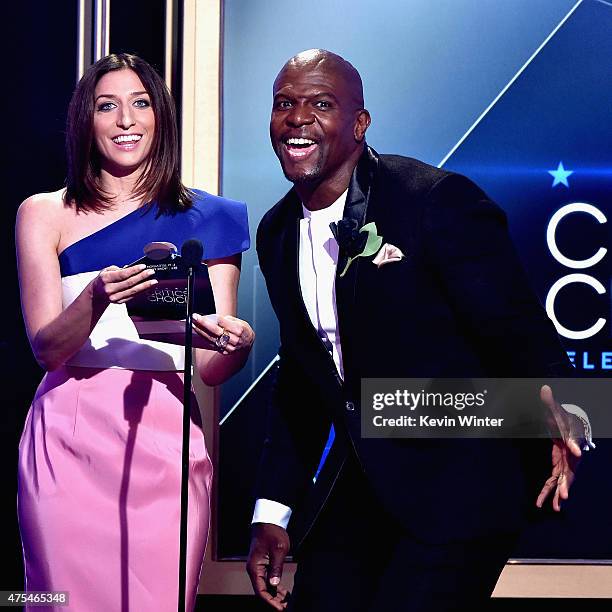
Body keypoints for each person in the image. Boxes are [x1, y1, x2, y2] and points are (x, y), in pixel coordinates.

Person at [246, 49, 583, 612]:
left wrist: (570, 407)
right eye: (285, 103)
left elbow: (517, 327)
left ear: (359, 124)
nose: (297, 117)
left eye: (320, 104)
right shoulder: (276, 231)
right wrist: (271, 512)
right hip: (366, 481)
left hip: (463, 478)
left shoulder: (430, 200)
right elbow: (304, 381)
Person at [16, 53, 253, 611]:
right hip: (68, 437)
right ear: (86, 121)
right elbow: (47, 349)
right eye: (108, 106)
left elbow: (214, 368)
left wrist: (237, 346)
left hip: (165, 437)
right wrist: (96, 298)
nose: (126, 120)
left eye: (140, 104)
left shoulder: (210, 218)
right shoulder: (44, 213)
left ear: (160, 117)